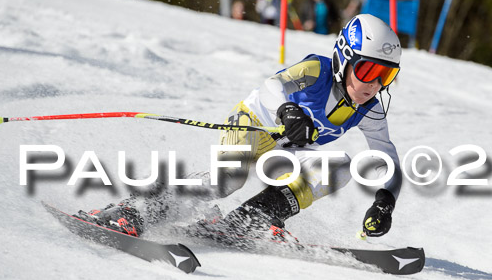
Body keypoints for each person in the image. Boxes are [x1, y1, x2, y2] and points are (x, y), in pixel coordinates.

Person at [79, 14, 403, 243]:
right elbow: (271, 87)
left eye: (385, 75)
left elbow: (387, 156)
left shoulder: (370, 109)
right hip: (254, 122)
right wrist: (288, 110)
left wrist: (385, 201)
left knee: (340, 168)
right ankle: (136, 210)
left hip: (285, 150)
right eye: (368, 69)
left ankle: (252, 219)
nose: (374, 84)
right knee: (227, 179)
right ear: (344, 58)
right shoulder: (317, 69)